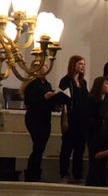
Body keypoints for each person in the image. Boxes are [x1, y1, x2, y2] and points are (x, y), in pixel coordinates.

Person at [22, 65, 60, 182]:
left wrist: (55, 105)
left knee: (40, 147)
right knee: (38, 146)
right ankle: (32, 173)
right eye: (44, 65)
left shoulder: (47, 84)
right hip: (34, 118)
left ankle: (35, 172)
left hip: (45, 118)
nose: (46, 67)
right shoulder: (32, 84)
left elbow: (48, 102)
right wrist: (44, 96)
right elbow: (29, 100)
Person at [58, 55, 89, 183]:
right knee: (67, 147)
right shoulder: (65, 81)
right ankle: (64, 173)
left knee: (80, 148)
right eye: (80, 64)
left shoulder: (83, 82)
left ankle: (77, 174)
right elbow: (64, 101)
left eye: (83, 64)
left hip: (82, 119)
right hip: (70, 117)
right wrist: (65, 119)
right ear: (73, 65)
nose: (82, 66)